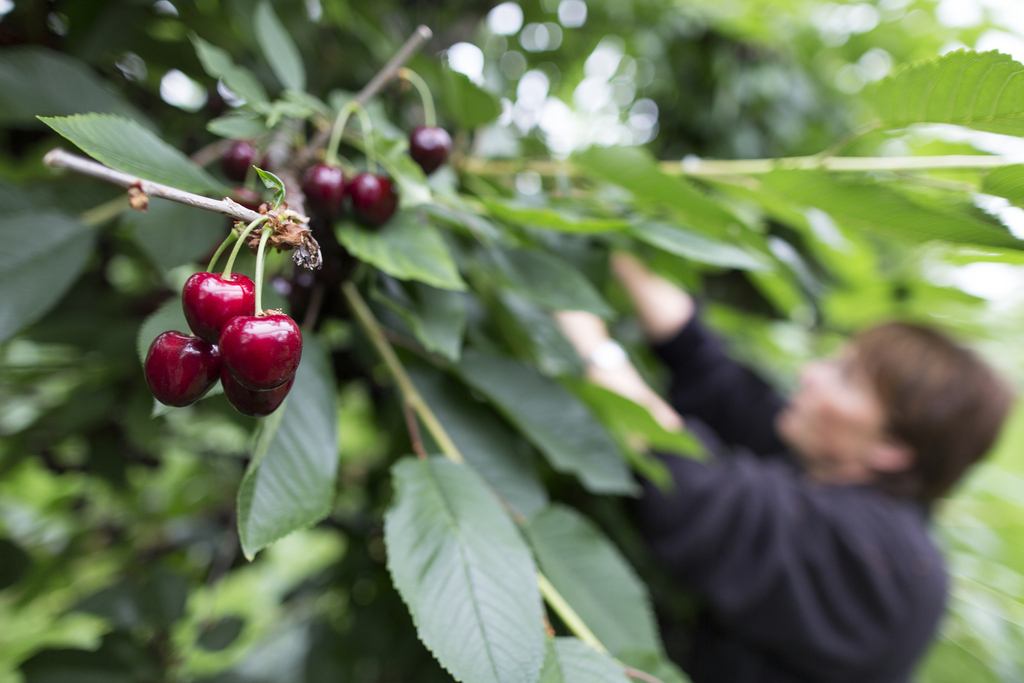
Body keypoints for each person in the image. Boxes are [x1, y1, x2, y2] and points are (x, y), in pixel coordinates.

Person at [555, 252, 1015, 683]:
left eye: (845, 379)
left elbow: (695, 490)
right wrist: (625, 260)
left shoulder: (882, 562)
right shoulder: (836, 468)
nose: (809, 374)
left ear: (891, 450)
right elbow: (714, 376)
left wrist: (587, 338)